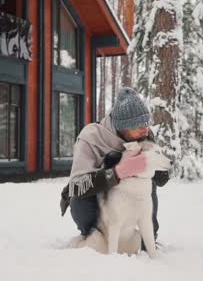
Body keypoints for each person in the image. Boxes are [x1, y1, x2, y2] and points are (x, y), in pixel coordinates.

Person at [60, 87, 169, 239]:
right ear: (121, 126)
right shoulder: (91, 137)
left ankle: (148, 238)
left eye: (147, 123)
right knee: (80, 201)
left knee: (147, 182)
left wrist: (151, 164)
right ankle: (93, 236)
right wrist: (118, 172)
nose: (145, 129)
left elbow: (162, 180)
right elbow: (77, 186)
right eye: (138, 125)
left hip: (128, 196)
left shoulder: (144, 135)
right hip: (95, 196)